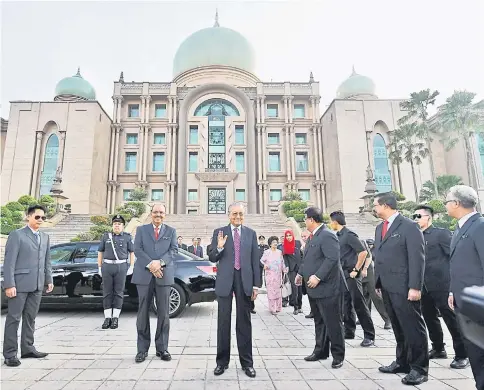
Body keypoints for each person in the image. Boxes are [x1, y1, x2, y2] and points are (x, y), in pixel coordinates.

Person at [372, 192, 428, 386]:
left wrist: (415, 287)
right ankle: (402, 362)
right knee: (397, 326)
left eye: (376, 205)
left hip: (405, 287)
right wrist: (378, 282)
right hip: (387, 286)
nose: (374, 209)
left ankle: (419, 368)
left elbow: (417, 258)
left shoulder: (409, 227)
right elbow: (378, 257)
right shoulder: (380, 228)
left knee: (412, 326)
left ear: (386, 206)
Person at [413, 205, 469, 369]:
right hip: (423, 286)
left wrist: (455, 284)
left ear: (428, 217)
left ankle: (462, 354)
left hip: (443, 285)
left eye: (419, 216)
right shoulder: (415, 237)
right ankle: (438, 348)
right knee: (429, 318)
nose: (415, 219)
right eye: (414, 216)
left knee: (452, 320)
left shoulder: (441, 234)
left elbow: (455, 257)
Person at [208, 202, 260, 378]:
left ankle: (247, 363)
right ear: (228, 214)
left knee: (244, 322)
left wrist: (256, 285)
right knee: (223, 322)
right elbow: (212, 256)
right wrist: (220, 246)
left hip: (244, 281)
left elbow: (255, 261)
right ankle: (221, 362)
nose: (238, 217)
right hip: (225, 281)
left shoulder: (251, 234)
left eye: (241, 214)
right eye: (234, 214)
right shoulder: (219, 232)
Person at [3, 205, 53, 367]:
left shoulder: (44, 237)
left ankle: (28, 348)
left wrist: (49, 279)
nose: (40, 220)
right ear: (28, 217)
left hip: (37, 284)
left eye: (43, 218)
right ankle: (10, 353)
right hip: (19, 284)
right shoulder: (17, 235)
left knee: (30, 318)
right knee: (14, 318)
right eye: (37, 217)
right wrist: (9, 284)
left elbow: (47, 261)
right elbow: (9, 262)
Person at [296, 207, 346, 369]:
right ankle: (321, 350)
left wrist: (317, 276)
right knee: (319, 321)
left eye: (305, 219)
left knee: (333, 322)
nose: (304, 222)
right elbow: (308, 259)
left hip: (328, 287)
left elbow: (332, 259)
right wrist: (300, 274)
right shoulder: (313, 237)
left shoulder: (327, 235)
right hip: (314, 288)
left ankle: (338, 355)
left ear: (311, 219)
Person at [445, 185, 484, 389]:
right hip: (464, 300)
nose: (446, 206)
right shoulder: (461, 227)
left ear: (457, 203)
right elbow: (458, 263)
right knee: (475, 351)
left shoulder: (480, 226)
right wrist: (453, 290)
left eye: (447, 201)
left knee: (480, 352)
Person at [132, 204, 178, 363]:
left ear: (165, 214)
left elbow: (173, 250)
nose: (158, 215)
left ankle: (162, 348)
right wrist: (152, 264)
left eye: (161, 212)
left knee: (164, 313)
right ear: (151, 214)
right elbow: (137, 249)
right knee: (142, 312)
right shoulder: (141, 230)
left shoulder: (171, 231)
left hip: (163, 275)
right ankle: (142, 350)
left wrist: (160, 263)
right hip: (144, 275)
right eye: (155, 212)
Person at [329, 211, 375, 347]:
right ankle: (349, 331)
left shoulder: (349, 235)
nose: (330, 224)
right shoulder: (337, 236)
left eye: (331, 221)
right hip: (343, 274)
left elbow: (363, 252)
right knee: (346, 304)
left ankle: (369, 335)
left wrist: (356, 269)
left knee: (359, 304)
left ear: (335, 222)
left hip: (352, 274)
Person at [97, 214, 135, 329]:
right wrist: (99, 267)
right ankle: (107, 318)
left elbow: (132, 252)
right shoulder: (105, 237)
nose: (116, 226)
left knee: (119, 292)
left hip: (121, 267)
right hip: (107, 266)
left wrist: (131, 266)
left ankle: (115, 318)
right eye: (115, 224)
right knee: (107, 292)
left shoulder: (127, 237)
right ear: (112, 225)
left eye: (119, 224)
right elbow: (100, 252)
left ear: (123, 226)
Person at [361, 239, 391, 329]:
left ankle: (388, 319)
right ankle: (365, 317)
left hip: (370, 272)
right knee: (363, 296)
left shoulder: (360, 244)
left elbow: (369, 257)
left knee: (376, 297)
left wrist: (365, 269)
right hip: (359, 273)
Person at [260, 236, 288, 314]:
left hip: (278, 275)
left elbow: (282, 262)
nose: (275, 244)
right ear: (270, 244)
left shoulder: (279, 252)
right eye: (273, 242)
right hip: (270, 275)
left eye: (276, 242)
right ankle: (272, 308)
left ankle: (278, 307)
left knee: (278, 291)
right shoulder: (267, 252)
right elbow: (261, 260)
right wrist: (264, 265)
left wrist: (284, 269)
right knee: (271, 291)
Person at [282, 230, 303, 315]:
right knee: (294, 288)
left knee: (300, 288)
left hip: (300, 268)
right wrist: (286, 266)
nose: (288, 237)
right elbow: (285, 258)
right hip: (292, 270)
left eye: (290, 235)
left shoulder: (298, 243)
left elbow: (302, 254)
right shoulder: (284, 246)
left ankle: (300, 306)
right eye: (287, 236)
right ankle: (295, 307)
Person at [250, 235, 269, 314]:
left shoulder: (266, 247)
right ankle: (250, 307)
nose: (261, 241)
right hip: (256, 265)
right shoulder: (255, 247)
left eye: (262, 239)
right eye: (260, 239)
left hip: (265, 265)